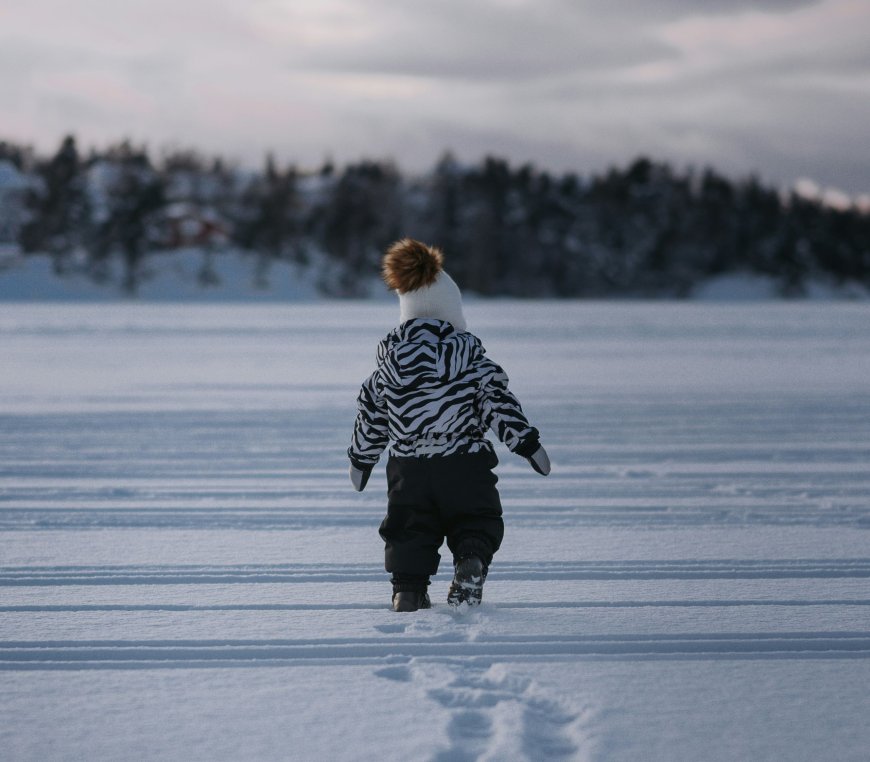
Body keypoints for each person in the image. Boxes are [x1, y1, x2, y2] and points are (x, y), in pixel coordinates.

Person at [348, 239, 551, 612]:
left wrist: (361, 461)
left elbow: (371, 419)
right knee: (475, 518)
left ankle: (407, 591)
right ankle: (470, 560)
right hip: (465, 462)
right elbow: (499, 406)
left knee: (408, 528)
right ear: (453, 313)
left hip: (409, 468)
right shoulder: (473, 364)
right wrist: (526, 443)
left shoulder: (386, 371)